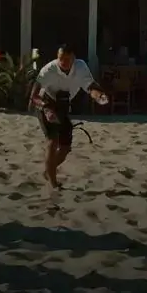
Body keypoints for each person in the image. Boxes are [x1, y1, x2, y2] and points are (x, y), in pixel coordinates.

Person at [29, 44, 107, 189]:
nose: (63, 63)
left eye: (67, 59)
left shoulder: (81, 67)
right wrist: (46, 109)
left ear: (74, 59)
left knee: (65, 148)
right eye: (60, 59)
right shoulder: (48, 70)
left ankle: (48, 171)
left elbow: (90, 87)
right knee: (52, 142)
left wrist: (99, 96)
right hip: (45, 103)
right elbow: (33, 96)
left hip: (63, 106)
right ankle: (53, 184)